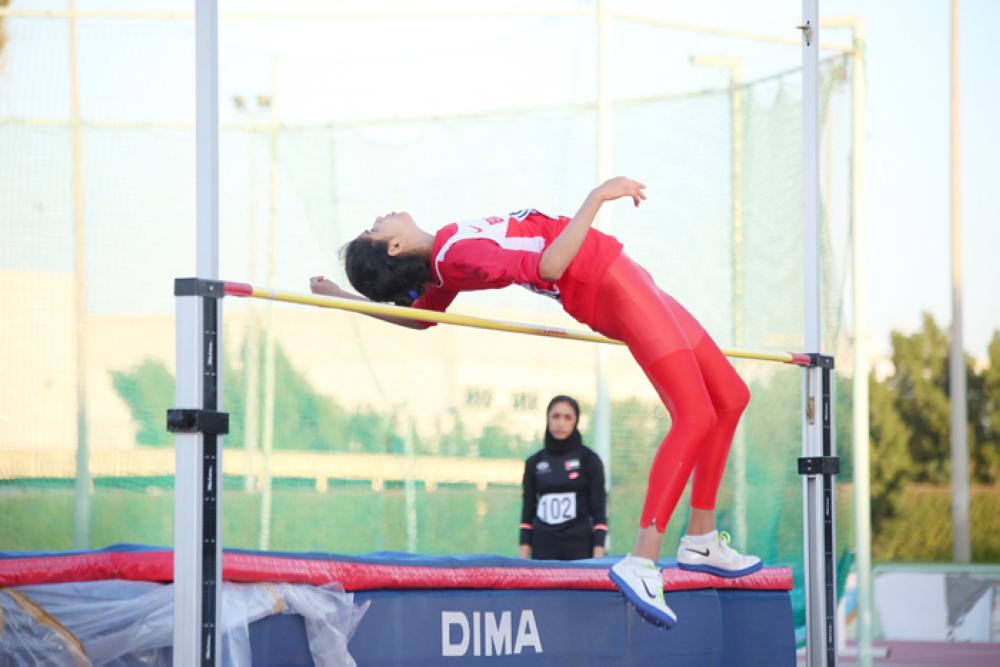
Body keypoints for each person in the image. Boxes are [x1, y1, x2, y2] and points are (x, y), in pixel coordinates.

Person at [310, 176, 760, 629]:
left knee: (730, 396)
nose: (378, 219)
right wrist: (597, 196)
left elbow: (423, 318)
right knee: (695, 414)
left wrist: (341, 297)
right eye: (374, 230)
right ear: (393, 248)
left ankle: (701, 536)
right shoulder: (457, 254)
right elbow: (547, 266)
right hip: (604, 282)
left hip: (620, 273)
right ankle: (644, 558)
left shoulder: (444, 261)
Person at [519, 395, 607, 561]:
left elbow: (599, 513)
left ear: (576, 421)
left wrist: (598, 560)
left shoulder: (590, 460)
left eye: (567, 417)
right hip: (543, 547)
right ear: (548, 419)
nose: (561, 423)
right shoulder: (534, 462)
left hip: (579, 548)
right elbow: (527, 513)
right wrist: (522, 560)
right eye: (555, 416)